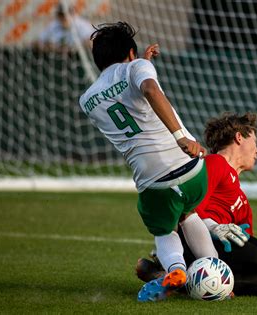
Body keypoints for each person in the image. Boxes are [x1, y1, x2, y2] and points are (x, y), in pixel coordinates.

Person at [78, 21, 218, 302]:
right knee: (189, 213)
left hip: (154, 182)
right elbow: (150, 90)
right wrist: (180, 137)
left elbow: (119, 95)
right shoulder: (137, 68)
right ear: (130, 52)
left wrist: (139, 63)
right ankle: (216, 270)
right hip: (193, 169)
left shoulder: (87, 100)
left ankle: (176, 270)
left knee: (164, 229)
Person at [136, 112, 257, 297]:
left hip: (217, 255)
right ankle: (178, 265)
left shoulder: (242, 200)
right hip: (194, 241)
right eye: (255, 143)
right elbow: (188, 211)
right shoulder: (214, 163)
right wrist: (215, 227)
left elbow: (245, 248)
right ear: (239, 137)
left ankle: (167, 276)